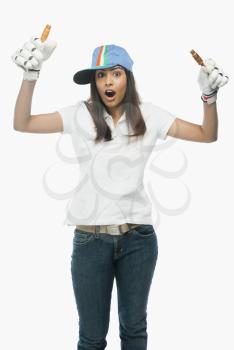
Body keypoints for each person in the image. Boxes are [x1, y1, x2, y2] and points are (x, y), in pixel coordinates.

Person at [11, 35, 229, 350]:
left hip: (138, 240)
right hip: (90, 242)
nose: (108, 82)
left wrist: (209, 97)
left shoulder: (150, 115)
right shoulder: (79, 114)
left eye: (115, 73)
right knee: (91, 337)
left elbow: (207, 135)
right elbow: (23, 123)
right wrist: (29, 78)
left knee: (134, 331)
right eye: (100, 76)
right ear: (94, 83)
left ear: (128, 76)